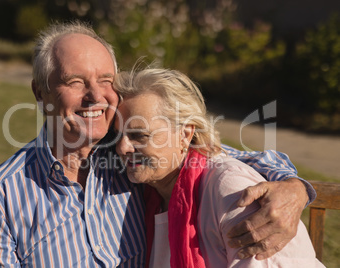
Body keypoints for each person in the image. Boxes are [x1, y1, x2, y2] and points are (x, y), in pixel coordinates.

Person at [0, 21, 315, 267]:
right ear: (40, 93)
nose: (95, 97)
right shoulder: (3, 197)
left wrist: (293, 186)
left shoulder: (133, 159)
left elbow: (209, 154)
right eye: (74, 81)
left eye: (105, 80)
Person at [113, 67, 324, 267]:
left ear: (185, 135)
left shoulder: (232, 189)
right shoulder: (152, 193)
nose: (122, 148)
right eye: (117, 135)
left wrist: (296, 186)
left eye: (139, 135)